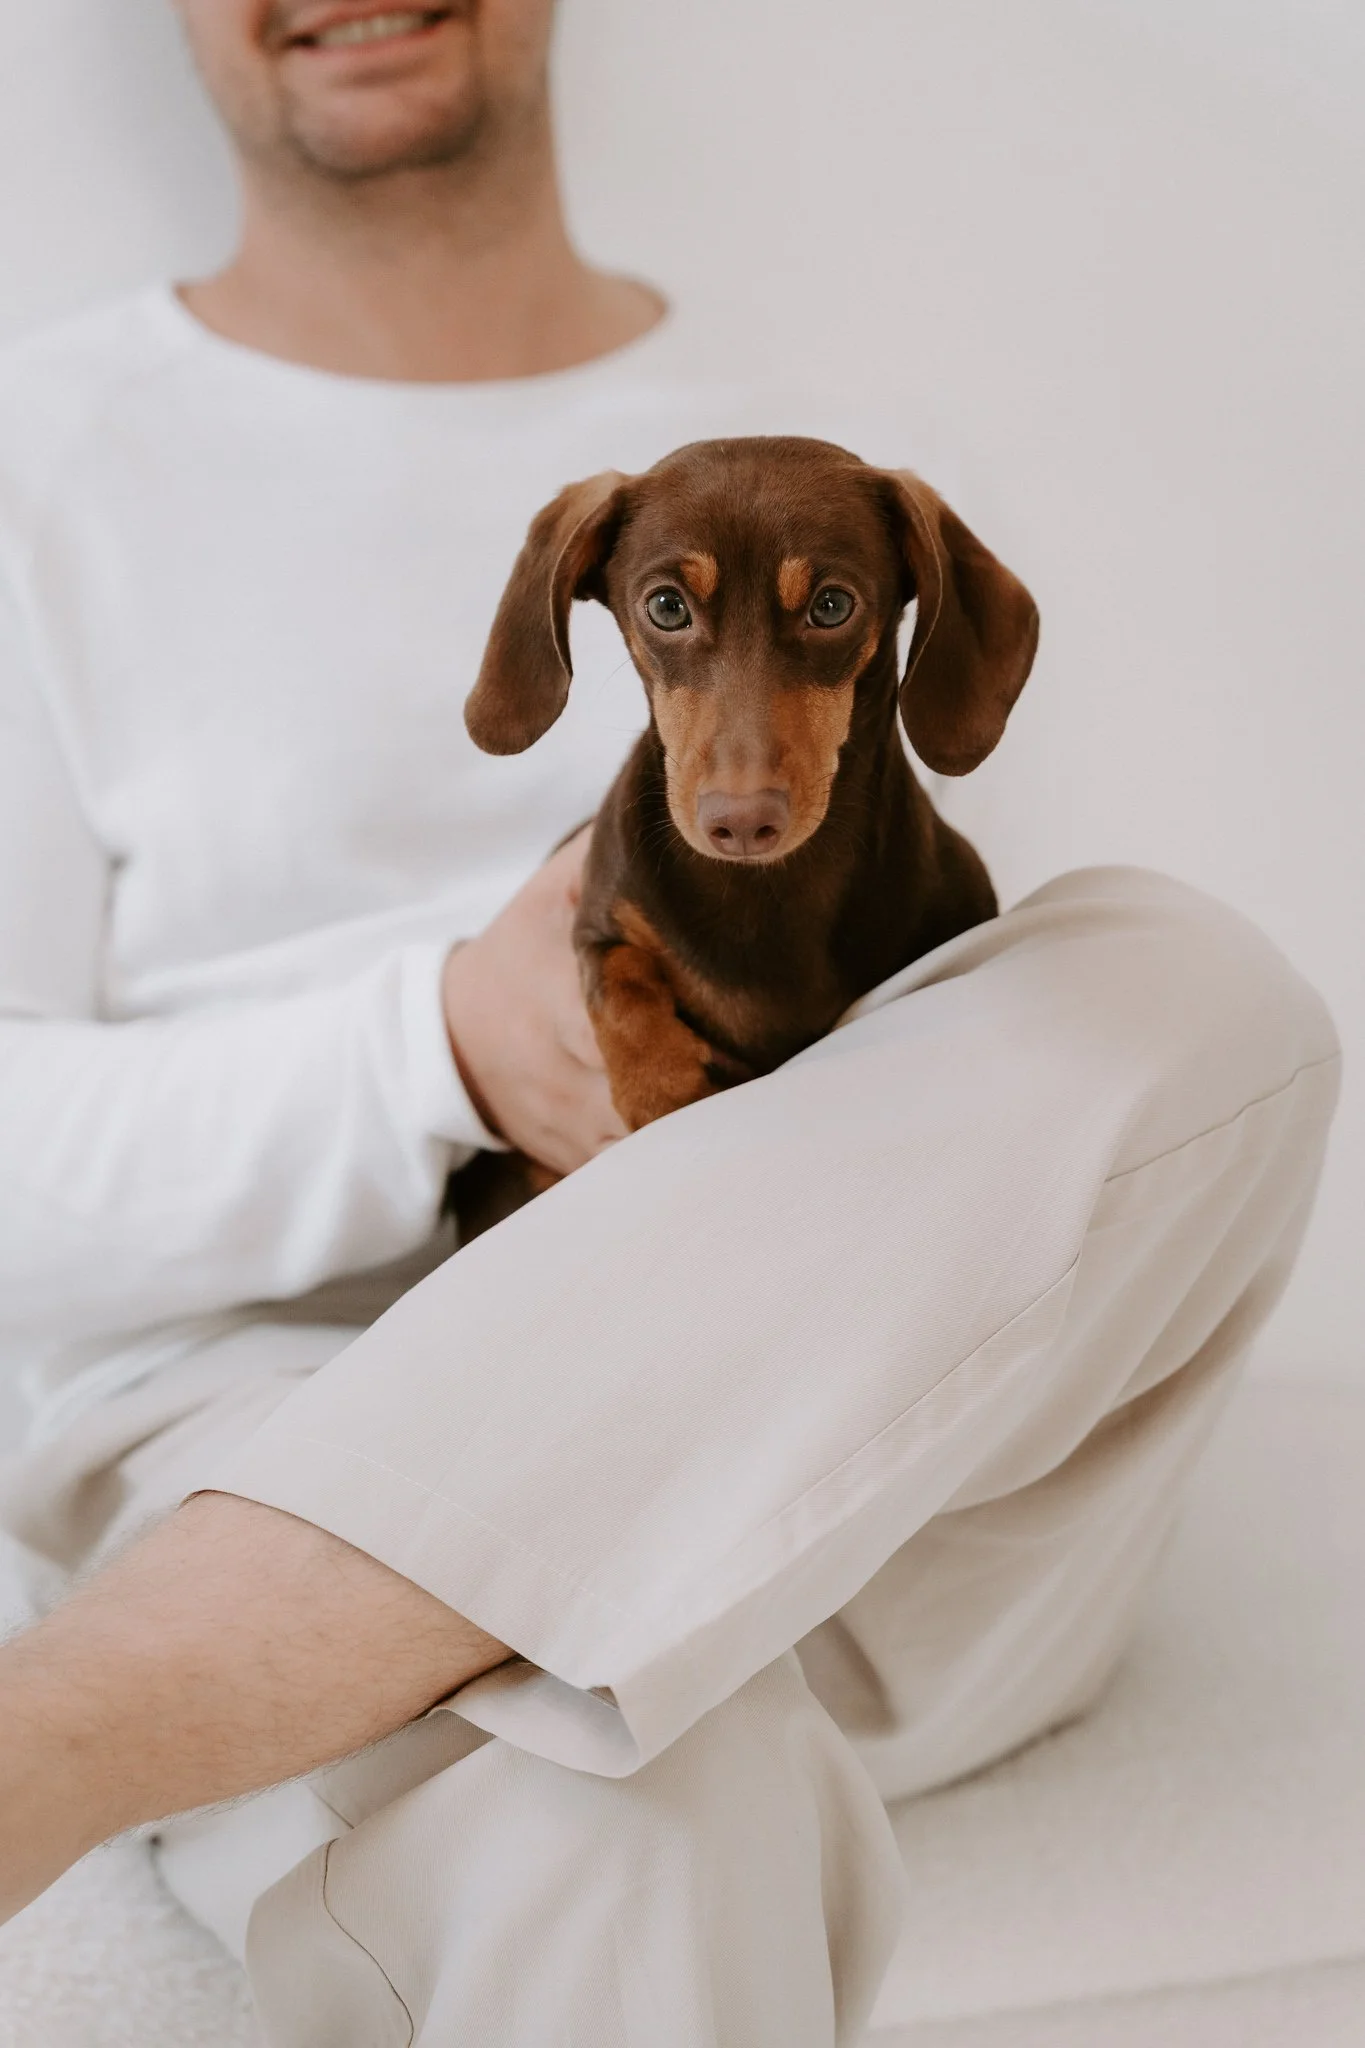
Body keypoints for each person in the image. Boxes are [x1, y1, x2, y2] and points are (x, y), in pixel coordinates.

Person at [0, 3, 1340, 2042]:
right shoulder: (38, 466)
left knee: (1192, 983)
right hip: (273, 1415)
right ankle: (252, 1653)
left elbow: (984, 1096)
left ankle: (69, 1725)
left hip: (869, 1510)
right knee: (633, 1811)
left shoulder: (839, 457)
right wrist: (438, 1047)